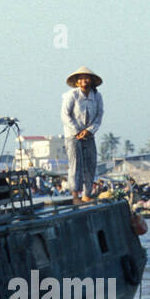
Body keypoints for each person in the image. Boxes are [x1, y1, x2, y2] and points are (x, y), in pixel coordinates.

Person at [61, 66, 103, 200]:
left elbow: (99, 116)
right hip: (72, 135)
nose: (84, 80)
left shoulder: (97, 96)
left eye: (87, 77)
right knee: (75, 164)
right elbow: (65, 115)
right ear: (77, 82)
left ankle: (86, 194)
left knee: (90, 164)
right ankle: (75, 196)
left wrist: (88, 131)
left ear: (91, 80)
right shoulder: (72, 95)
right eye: (81, 78)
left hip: (89, 135)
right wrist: (78, 131)